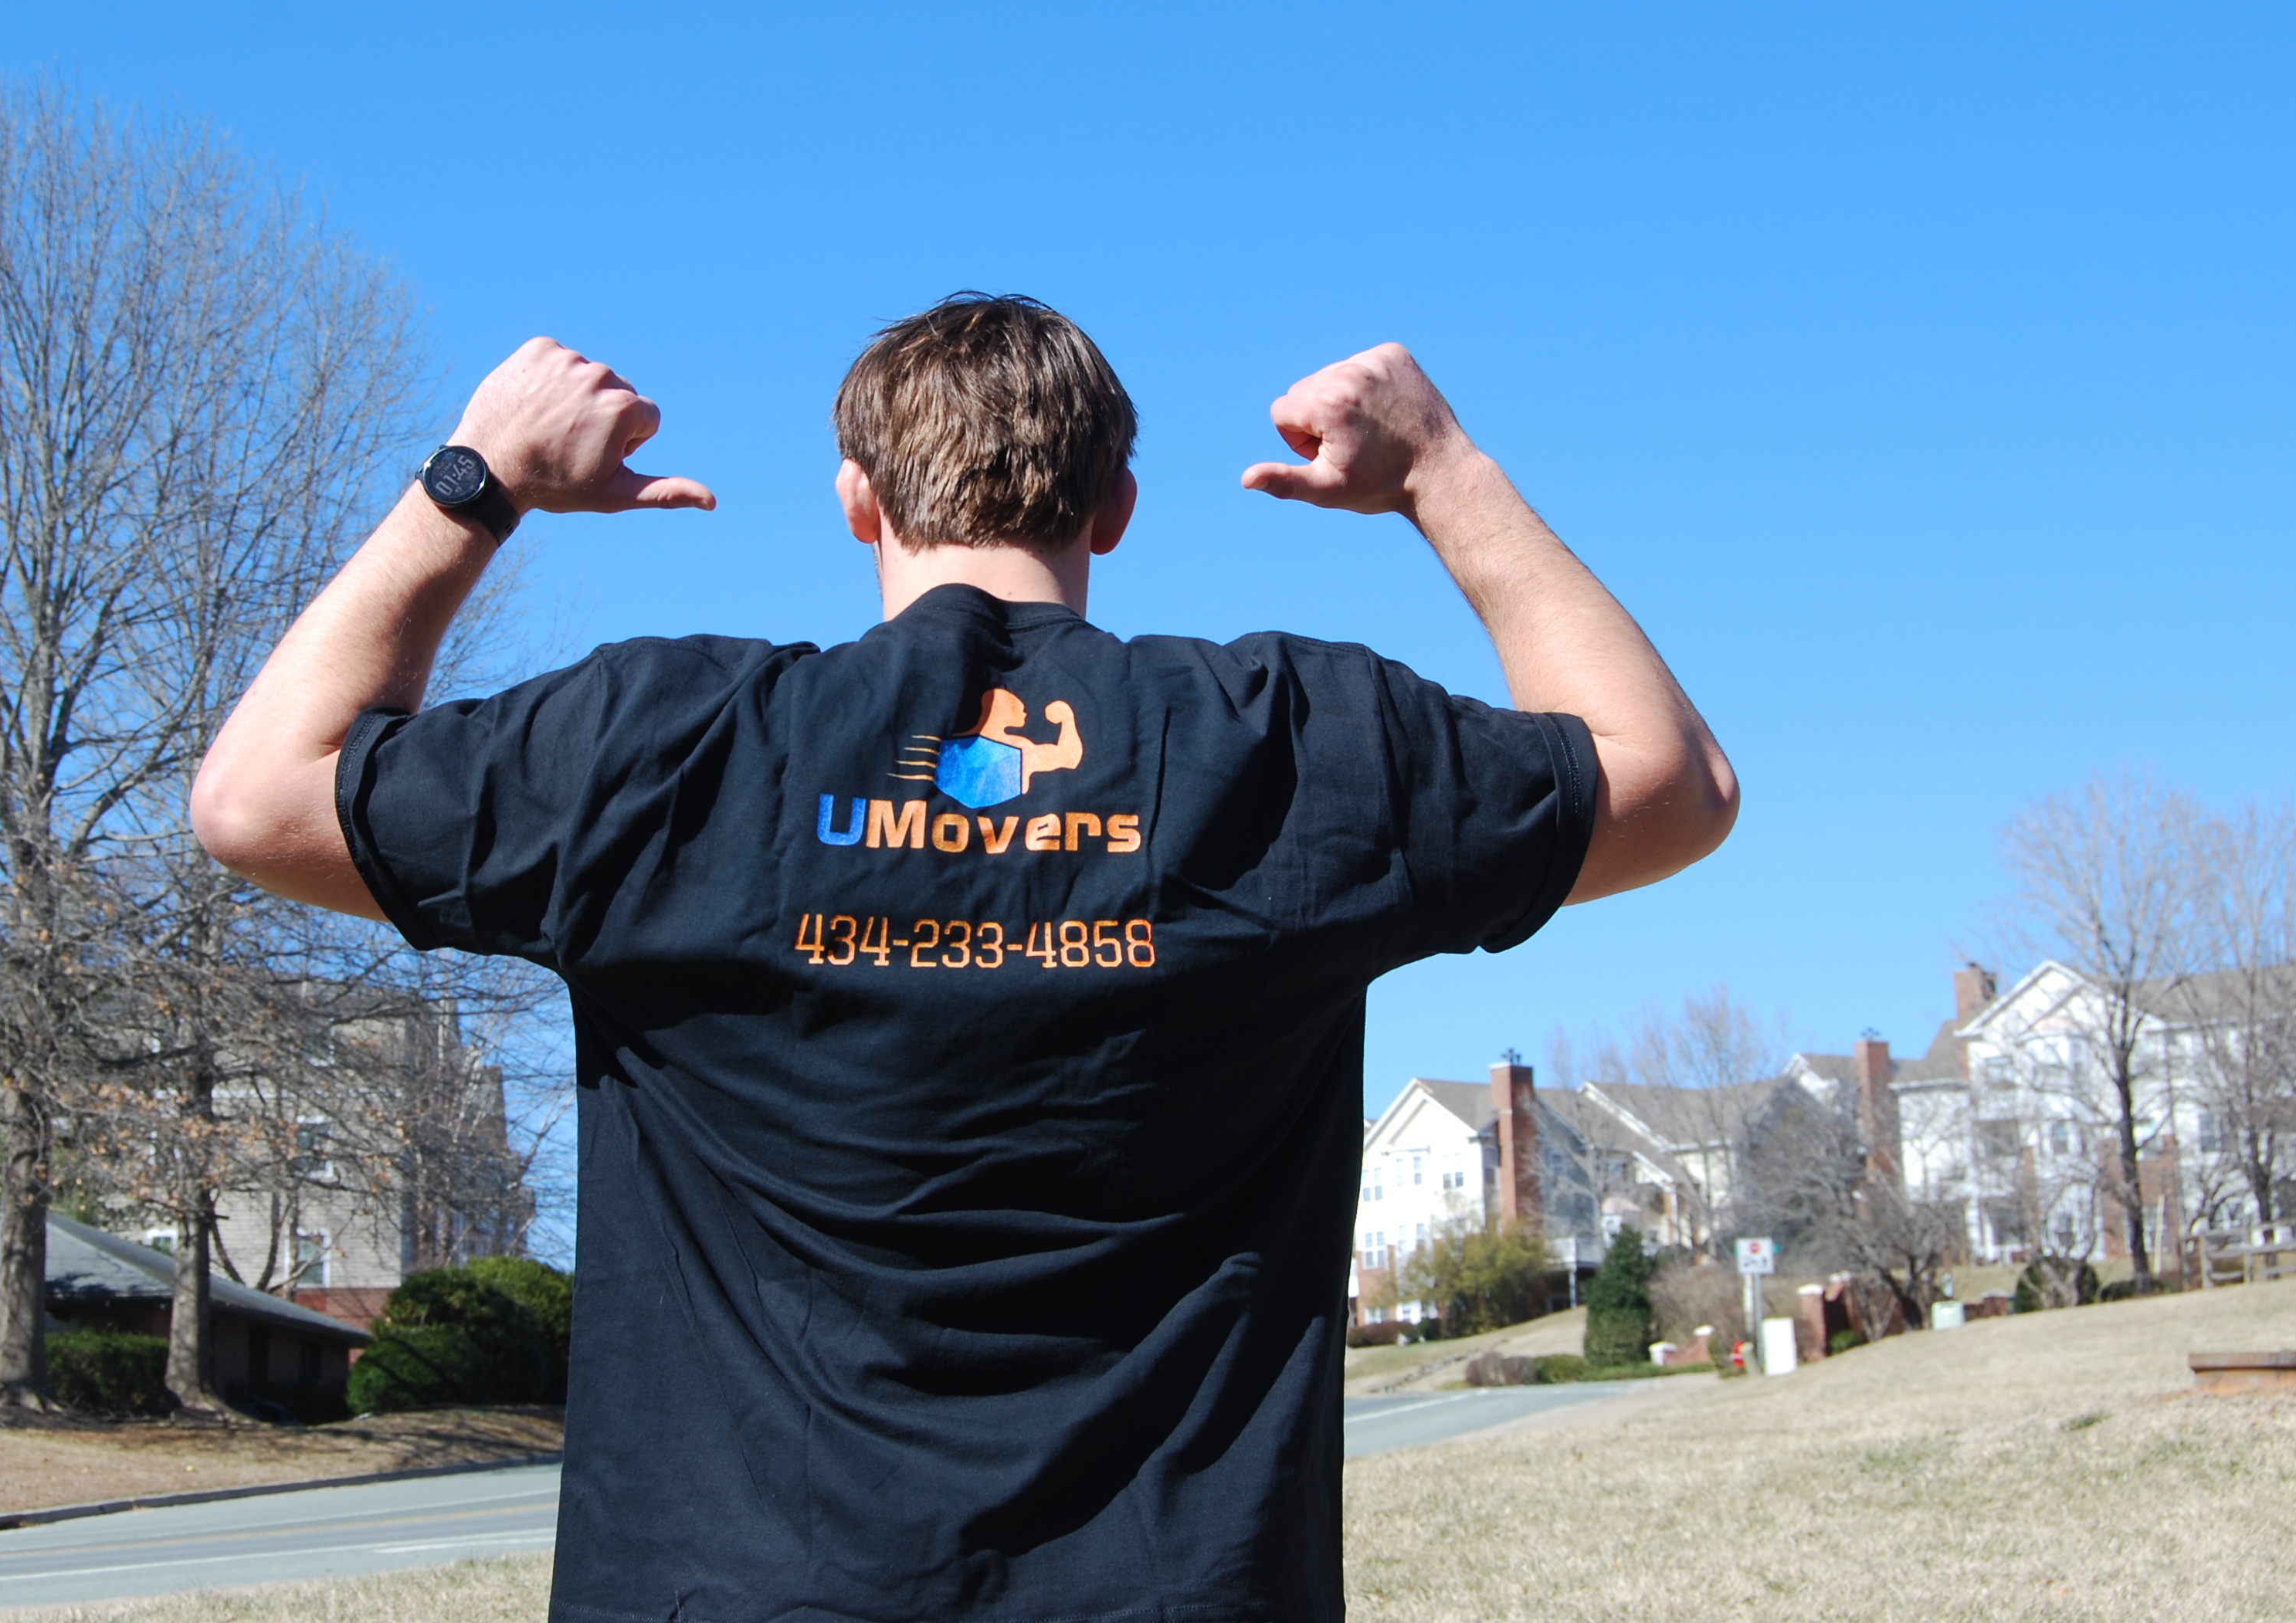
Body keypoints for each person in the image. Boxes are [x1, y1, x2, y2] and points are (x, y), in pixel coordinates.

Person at [193, 296, 1735, 1623]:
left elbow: (258, 799)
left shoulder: (659, 750)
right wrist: (1443, 472)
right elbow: (1671, 784)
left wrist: (479, 483)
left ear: (858, 503)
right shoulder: (1290, 748)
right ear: (1114, 506)